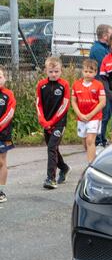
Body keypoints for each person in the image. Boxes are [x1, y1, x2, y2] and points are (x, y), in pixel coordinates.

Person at [36, 57, 70, 189]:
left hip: (59, 123)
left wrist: (52, 122)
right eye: (51, 71)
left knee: (51, 147)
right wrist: (43, 121)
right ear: (46, 71)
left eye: (56, 71)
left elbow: (64, 105)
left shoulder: (64, 85)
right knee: (53, 148)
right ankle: (64, 167)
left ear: (61, 70)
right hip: (46, 123)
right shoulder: (41, 84)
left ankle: (51, 178)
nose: (54, 74)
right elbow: (38, 103)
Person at [70, 59, 106, 164]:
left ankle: (90, 165)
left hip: (94, 117)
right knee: (86, 143)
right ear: (82, 71)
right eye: (86, 71)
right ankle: (95, 157)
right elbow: (73, 101)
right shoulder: (76, 84)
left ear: (95, 72)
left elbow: (102, 102)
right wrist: (80, 114)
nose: (88, 74)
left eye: (91, 72)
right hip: (81, 117)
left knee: (90, 140)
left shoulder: (99, 85)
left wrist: (90, 115)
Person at [89, 24, 112, 148]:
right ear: (105, 36)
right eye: (111, 33)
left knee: (106, 114)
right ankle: (98, 140)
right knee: (102, 115)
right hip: (100, 87)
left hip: (104, 86)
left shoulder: (104, 48)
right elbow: (108, 66)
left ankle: (102, 138)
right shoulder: (98, 50)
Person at [0, 65, 15, 203]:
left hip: (3, 133)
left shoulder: (8, 94)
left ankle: (1, 190)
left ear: (4, 78)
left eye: (0, 77)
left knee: (2, 161)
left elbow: (10, 113)